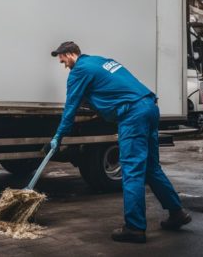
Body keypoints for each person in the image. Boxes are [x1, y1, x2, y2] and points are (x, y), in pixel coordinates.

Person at [49, 41, 191, 244]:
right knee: (151, 167)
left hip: (132, 114)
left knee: (132, 169)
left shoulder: (79, 70)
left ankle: (134, 228)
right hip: (149, 106)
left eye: (63, 60)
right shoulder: (99, 61)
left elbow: (70, 108)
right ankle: (177, 212)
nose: (64, 65)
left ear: (70, 54)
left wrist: (58, 137)